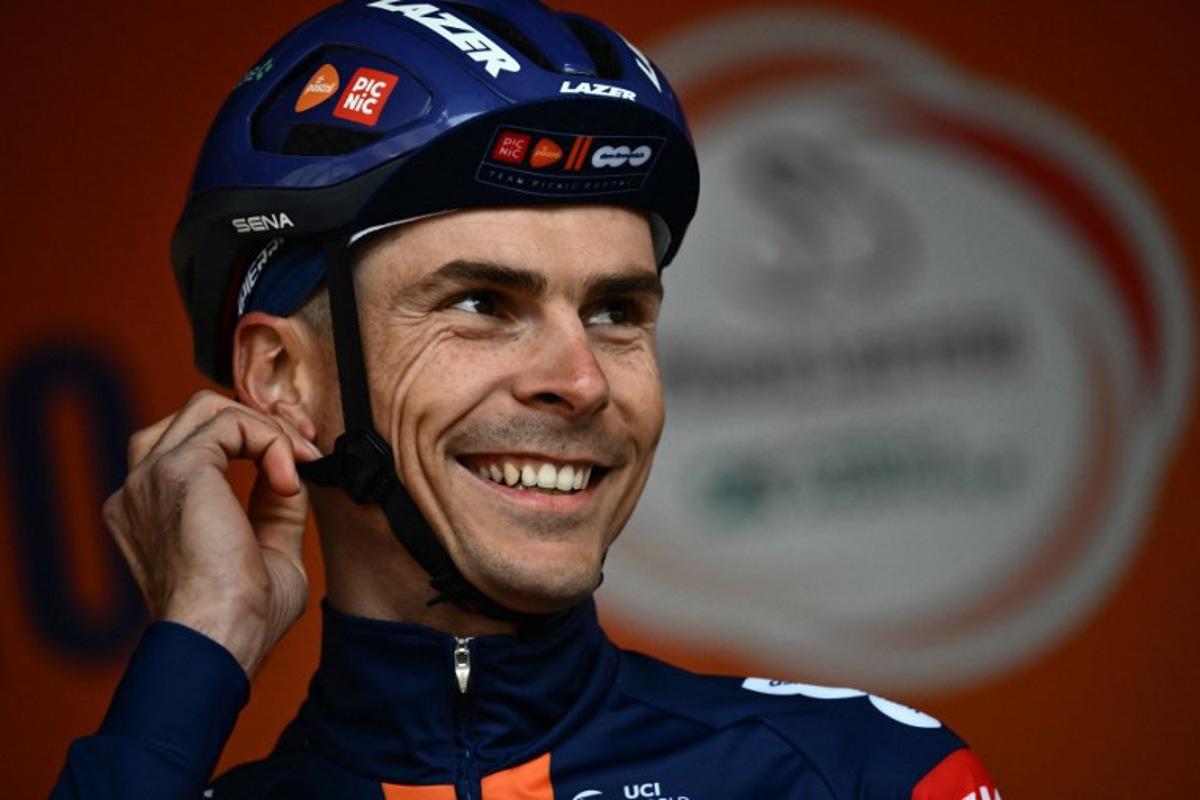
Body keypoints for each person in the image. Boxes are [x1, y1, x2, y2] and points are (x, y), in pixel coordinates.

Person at [54, 1, 1000, 798]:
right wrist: (198, 649)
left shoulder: (860, 774)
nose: (582, 380)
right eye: (481, 303)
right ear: (283, 382)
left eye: (617, 310)